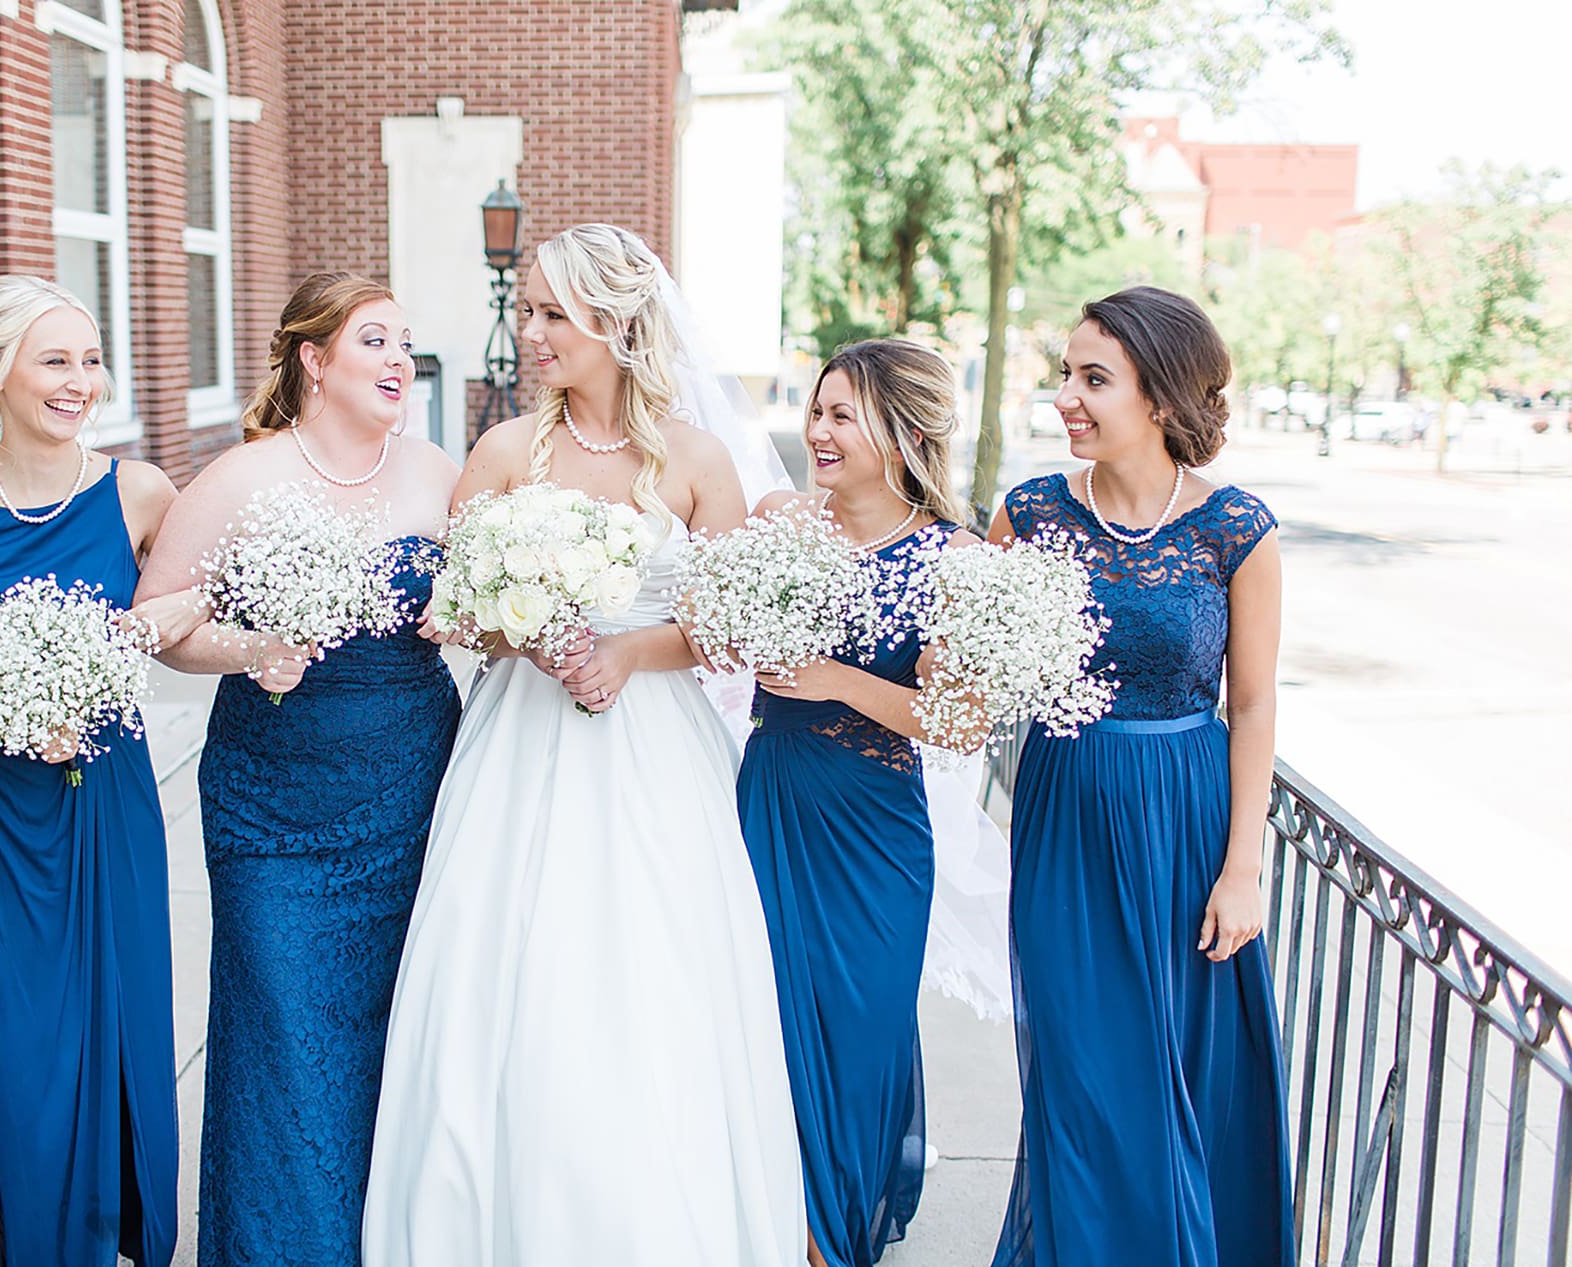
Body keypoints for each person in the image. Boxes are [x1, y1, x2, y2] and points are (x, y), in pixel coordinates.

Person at [362, 223, 803, 1267]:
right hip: (521, 741)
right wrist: (534, 633)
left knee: (654, 979)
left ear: (615, 323)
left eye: (553, 313)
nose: (533, 332)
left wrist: (632, 653)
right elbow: (448, 612)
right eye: (528, 312)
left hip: (656, 751)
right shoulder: (508, 451)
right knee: (507, 973)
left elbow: (731, 626)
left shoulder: (696, 462)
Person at [134, 272, 461, 1266]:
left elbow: (476, 605)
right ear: (314, 361)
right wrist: (250, 647)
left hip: (412, 784)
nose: (399, 359)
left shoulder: (438, 473)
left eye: (404, 341)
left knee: (394, 1035)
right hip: (273, 805)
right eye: (373, 340)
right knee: (283, 1035)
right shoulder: (239, 479)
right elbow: (162, 626)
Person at [0, 275, 205, 1266]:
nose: (82, 382)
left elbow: (195, 595)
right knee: (17, 1036)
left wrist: (162, 620)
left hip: (111, 793)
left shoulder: (141, 490)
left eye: (91, 359)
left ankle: (119, 1227)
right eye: (56, 360)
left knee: (123, 1013)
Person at [986, 286, 1292, 1266]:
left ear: (1158, 398)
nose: (1065, 397)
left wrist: (1241, 867)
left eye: (1092, 379)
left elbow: (1251, 705)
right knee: (1081, 1075)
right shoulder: (1027, 514)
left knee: (1179, 1077)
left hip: (1189, 822)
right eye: (1065, 375)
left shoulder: (1235, 529)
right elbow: (974, 670)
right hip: (1065, 814)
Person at [731, 339, 982, 1267]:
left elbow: (955, 719)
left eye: (844, 415)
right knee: (769, 1020)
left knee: (865, 1028)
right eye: (817, 410)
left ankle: (842, 1230)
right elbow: (726, 640)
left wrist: (833, 676)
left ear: (905, 434)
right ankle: (792, 1232)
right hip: (773, 800)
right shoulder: (777, 520)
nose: (819, 430)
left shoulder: (954, 556)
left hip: (877, 825)